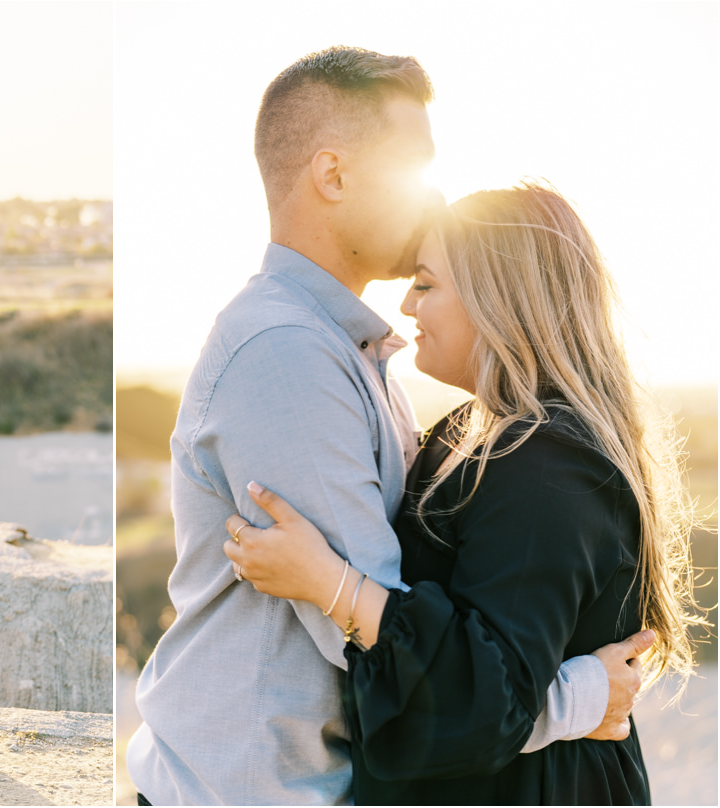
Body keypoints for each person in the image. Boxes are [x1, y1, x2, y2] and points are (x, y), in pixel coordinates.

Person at [125, 48, 650, 805]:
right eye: (414, 167)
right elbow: (392, 645)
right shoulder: (287, 355)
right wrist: (576, 698)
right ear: (331, 175)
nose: (432, 197)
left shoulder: (346, 350)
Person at [224, 183, 702, 804]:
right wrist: (580, 694)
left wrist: (328, 583)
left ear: (496, 301)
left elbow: (479, 708)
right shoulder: (470, 434)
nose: (406, 304)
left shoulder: (546, 465)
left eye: (426, 284)